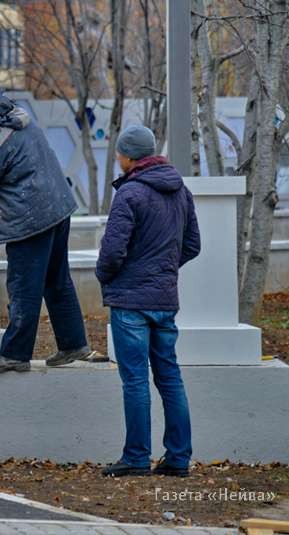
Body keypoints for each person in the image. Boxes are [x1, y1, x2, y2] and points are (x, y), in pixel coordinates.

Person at [0, 83, 95, 373]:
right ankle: (73, 344)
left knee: (23, 285)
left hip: (29, 218)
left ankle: (15, 354)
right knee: (56, 280)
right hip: (57, 207)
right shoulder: (15, 119)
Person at [97, 125, 201, 477]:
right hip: (164, 300)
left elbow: (112, 252)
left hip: (131, 302)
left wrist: (105, 276)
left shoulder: (130, 193)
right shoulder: (180, 190)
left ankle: (136, 458)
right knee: (170, 378)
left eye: (119, 153)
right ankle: (178, 458)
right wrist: (163, 270)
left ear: (128, 156)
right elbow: (192, 245)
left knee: (136, 381)